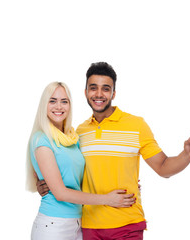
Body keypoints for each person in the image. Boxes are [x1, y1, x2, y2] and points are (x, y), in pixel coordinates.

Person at [36, 62, 190, 240]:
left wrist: (186, 155)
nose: (98, 94)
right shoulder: (79, 132)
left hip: (127, 224)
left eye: (105, 89)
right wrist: (41, 183)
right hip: (88, 226)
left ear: (114, 93)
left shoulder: (136, 125)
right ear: (86, 92)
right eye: (93, 88)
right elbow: (67, 167)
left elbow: (163, 168)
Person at [26, 81, 136, 240]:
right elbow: (61, 193)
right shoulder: (41, 140)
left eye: (64, 101)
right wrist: (107, 199)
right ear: (44, 105)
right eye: (52, 101)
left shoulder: (72, 138)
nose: (59, 106)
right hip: (53, 225)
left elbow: (86, 175)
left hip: (79, 222)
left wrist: (124, 182)